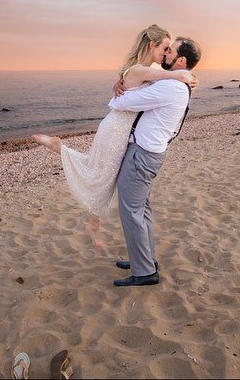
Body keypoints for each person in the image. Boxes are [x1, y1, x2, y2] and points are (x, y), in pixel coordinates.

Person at [32, 25, 195, 248]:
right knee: (102, 175)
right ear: (152, 45)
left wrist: (186, 78)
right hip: (117, 128)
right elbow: (170, 76)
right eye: (165, 47)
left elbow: (162, 80)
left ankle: (63, 153)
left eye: (169, 49)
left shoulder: (144, 69)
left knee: (102, 172)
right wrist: (187, 77)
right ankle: (92, 221)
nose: (166, 53)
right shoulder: (140, 69)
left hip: (121, 129)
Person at [107, 37, 201, 286]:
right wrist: (123, 81)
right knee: (142, 209)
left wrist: (120, 90)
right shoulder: (177, 83)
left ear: (181, 60)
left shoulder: (171, 87)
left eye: (171, 51)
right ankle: (144, 259)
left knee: (132, 211)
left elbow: (121, 103)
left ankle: (145, 271)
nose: (166, 53)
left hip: (142, 155)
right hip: (150, 153)